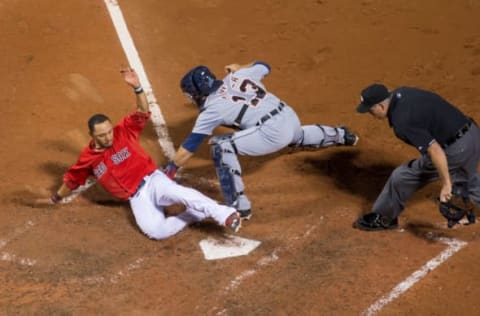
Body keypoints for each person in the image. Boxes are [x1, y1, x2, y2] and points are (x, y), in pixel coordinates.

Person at [34, 68, 242, 239]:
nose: (108, 137)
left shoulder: (123, 131)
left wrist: (137, 88)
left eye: (109, 132)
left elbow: (142, 112)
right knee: (156, 232)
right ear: (92, 136)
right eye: (103, 136)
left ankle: (225, 214)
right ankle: (193, 215)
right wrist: (55, 198)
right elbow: (72, 180)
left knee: (181, 193)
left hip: (152, 181)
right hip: (137, 198)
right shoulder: (87, 159)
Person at [163, 61, 359, 220]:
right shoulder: (238, 76)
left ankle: (239, 206)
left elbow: (189, 148)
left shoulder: (211, 109)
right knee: (297, 136)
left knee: (221, 146)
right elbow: (264, 65)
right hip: (289, 116)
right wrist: (241, 67)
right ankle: (342, 135)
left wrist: (169, 171)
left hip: (273, 132)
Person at [353, 83, 480, 231]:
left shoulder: (402, 121)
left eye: (370, 109)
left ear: (381, 106)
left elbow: (435, 150)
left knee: (402, 176)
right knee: (468, 178)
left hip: (457, 148)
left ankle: (384, 217)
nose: (370, 113)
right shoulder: (403, 92)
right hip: (472, 133)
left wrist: (446, 184)